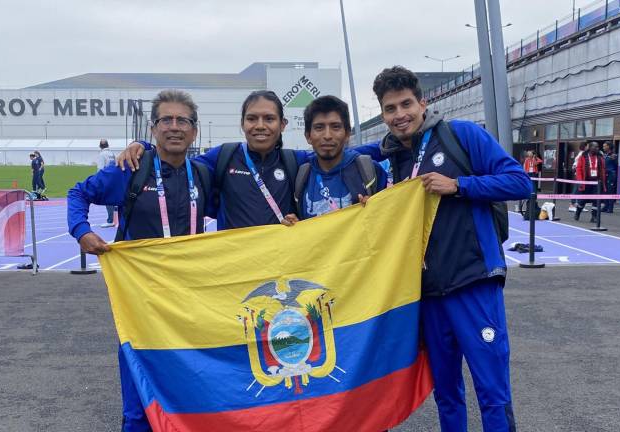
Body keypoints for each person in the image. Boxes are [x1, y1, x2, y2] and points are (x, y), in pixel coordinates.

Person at [373, 66, 531, 431]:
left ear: (423, 103)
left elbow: (520, 182)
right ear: (383, 114)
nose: (400, 115)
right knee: (446, 392)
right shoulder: (392, 157)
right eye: (390, 109)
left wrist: (459, 185)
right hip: (428, 293)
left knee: (493, 391)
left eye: (406, 104)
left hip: (474, 281)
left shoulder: (462, 135)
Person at [68, 89, 211, 432]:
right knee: (139, 404)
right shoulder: (130, 168)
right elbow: (79, 193)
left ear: (194, 130)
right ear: (153, 128)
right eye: (166, 120)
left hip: (191, 303)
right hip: (141, 305)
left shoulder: (204, 174)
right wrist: (81, 230)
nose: (174, 127)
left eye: (183, 121)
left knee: (192, 396)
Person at [117, 91, 384, 230]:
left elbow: (336, 151)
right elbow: (177, 154)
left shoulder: (295, 161)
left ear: (282, 124)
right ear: (242, 124)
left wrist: (388, 145)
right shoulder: (222, 157)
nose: (260, 126)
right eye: (252, 118)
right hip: (237, 270)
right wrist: (145, 145)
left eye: (269, 119)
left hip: (284, 266)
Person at [291, 95, 387, 220]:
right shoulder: (301, 176)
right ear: (308, 136)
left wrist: (376, 210)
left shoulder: (370, 170)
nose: (327, 135)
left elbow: (390, 218)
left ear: (347, 134)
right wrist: (293, 224)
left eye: (335, 127)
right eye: (319, 127)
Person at [574, 141, 606, 223]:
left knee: (596, 200)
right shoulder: (583, 156)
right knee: (583, 200)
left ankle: (594, 217)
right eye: (595, 147)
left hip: (596, 182)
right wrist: (580, 181)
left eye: (598, 147)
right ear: (590, 147)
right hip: (586, 182)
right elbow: (578, 169)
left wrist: (603, 182)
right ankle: (577, 213)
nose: (597, 148)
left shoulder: (600, 157)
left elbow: (603, 169)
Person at [97, 139, 116, 228]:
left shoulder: (102, 154)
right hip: (113, 177)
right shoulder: (112, 154)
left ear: (100, 146)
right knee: (114, 200)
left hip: (106, 178)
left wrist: (98, 180)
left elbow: (100, 169)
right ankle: (115, 219)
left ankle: (110, 220)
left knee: (108, 200)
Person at [567, 142, 588, 212]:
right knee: (577, 189)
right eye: (587, 146)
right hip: (579, 175)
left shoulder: (583, 154)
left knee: (580, 190)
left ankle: (579, 205)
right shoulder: (582, 154)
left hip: (581, 175)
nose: (588, 147)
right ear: (585, 147)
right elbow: (575, 164)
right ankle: (572, 205)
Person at [602, 142, 618, 213]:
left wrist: (612, 173)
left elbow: (615, 166)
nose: (603, 147)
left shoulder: (613, 155)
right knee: (605, 191)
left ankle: (610, 208)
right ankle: (606, 206)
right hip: (605, 175)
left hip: (611, 176)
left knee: (610, 192)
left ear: (608, 147)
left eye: (604, 146)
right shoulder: (605, 155)